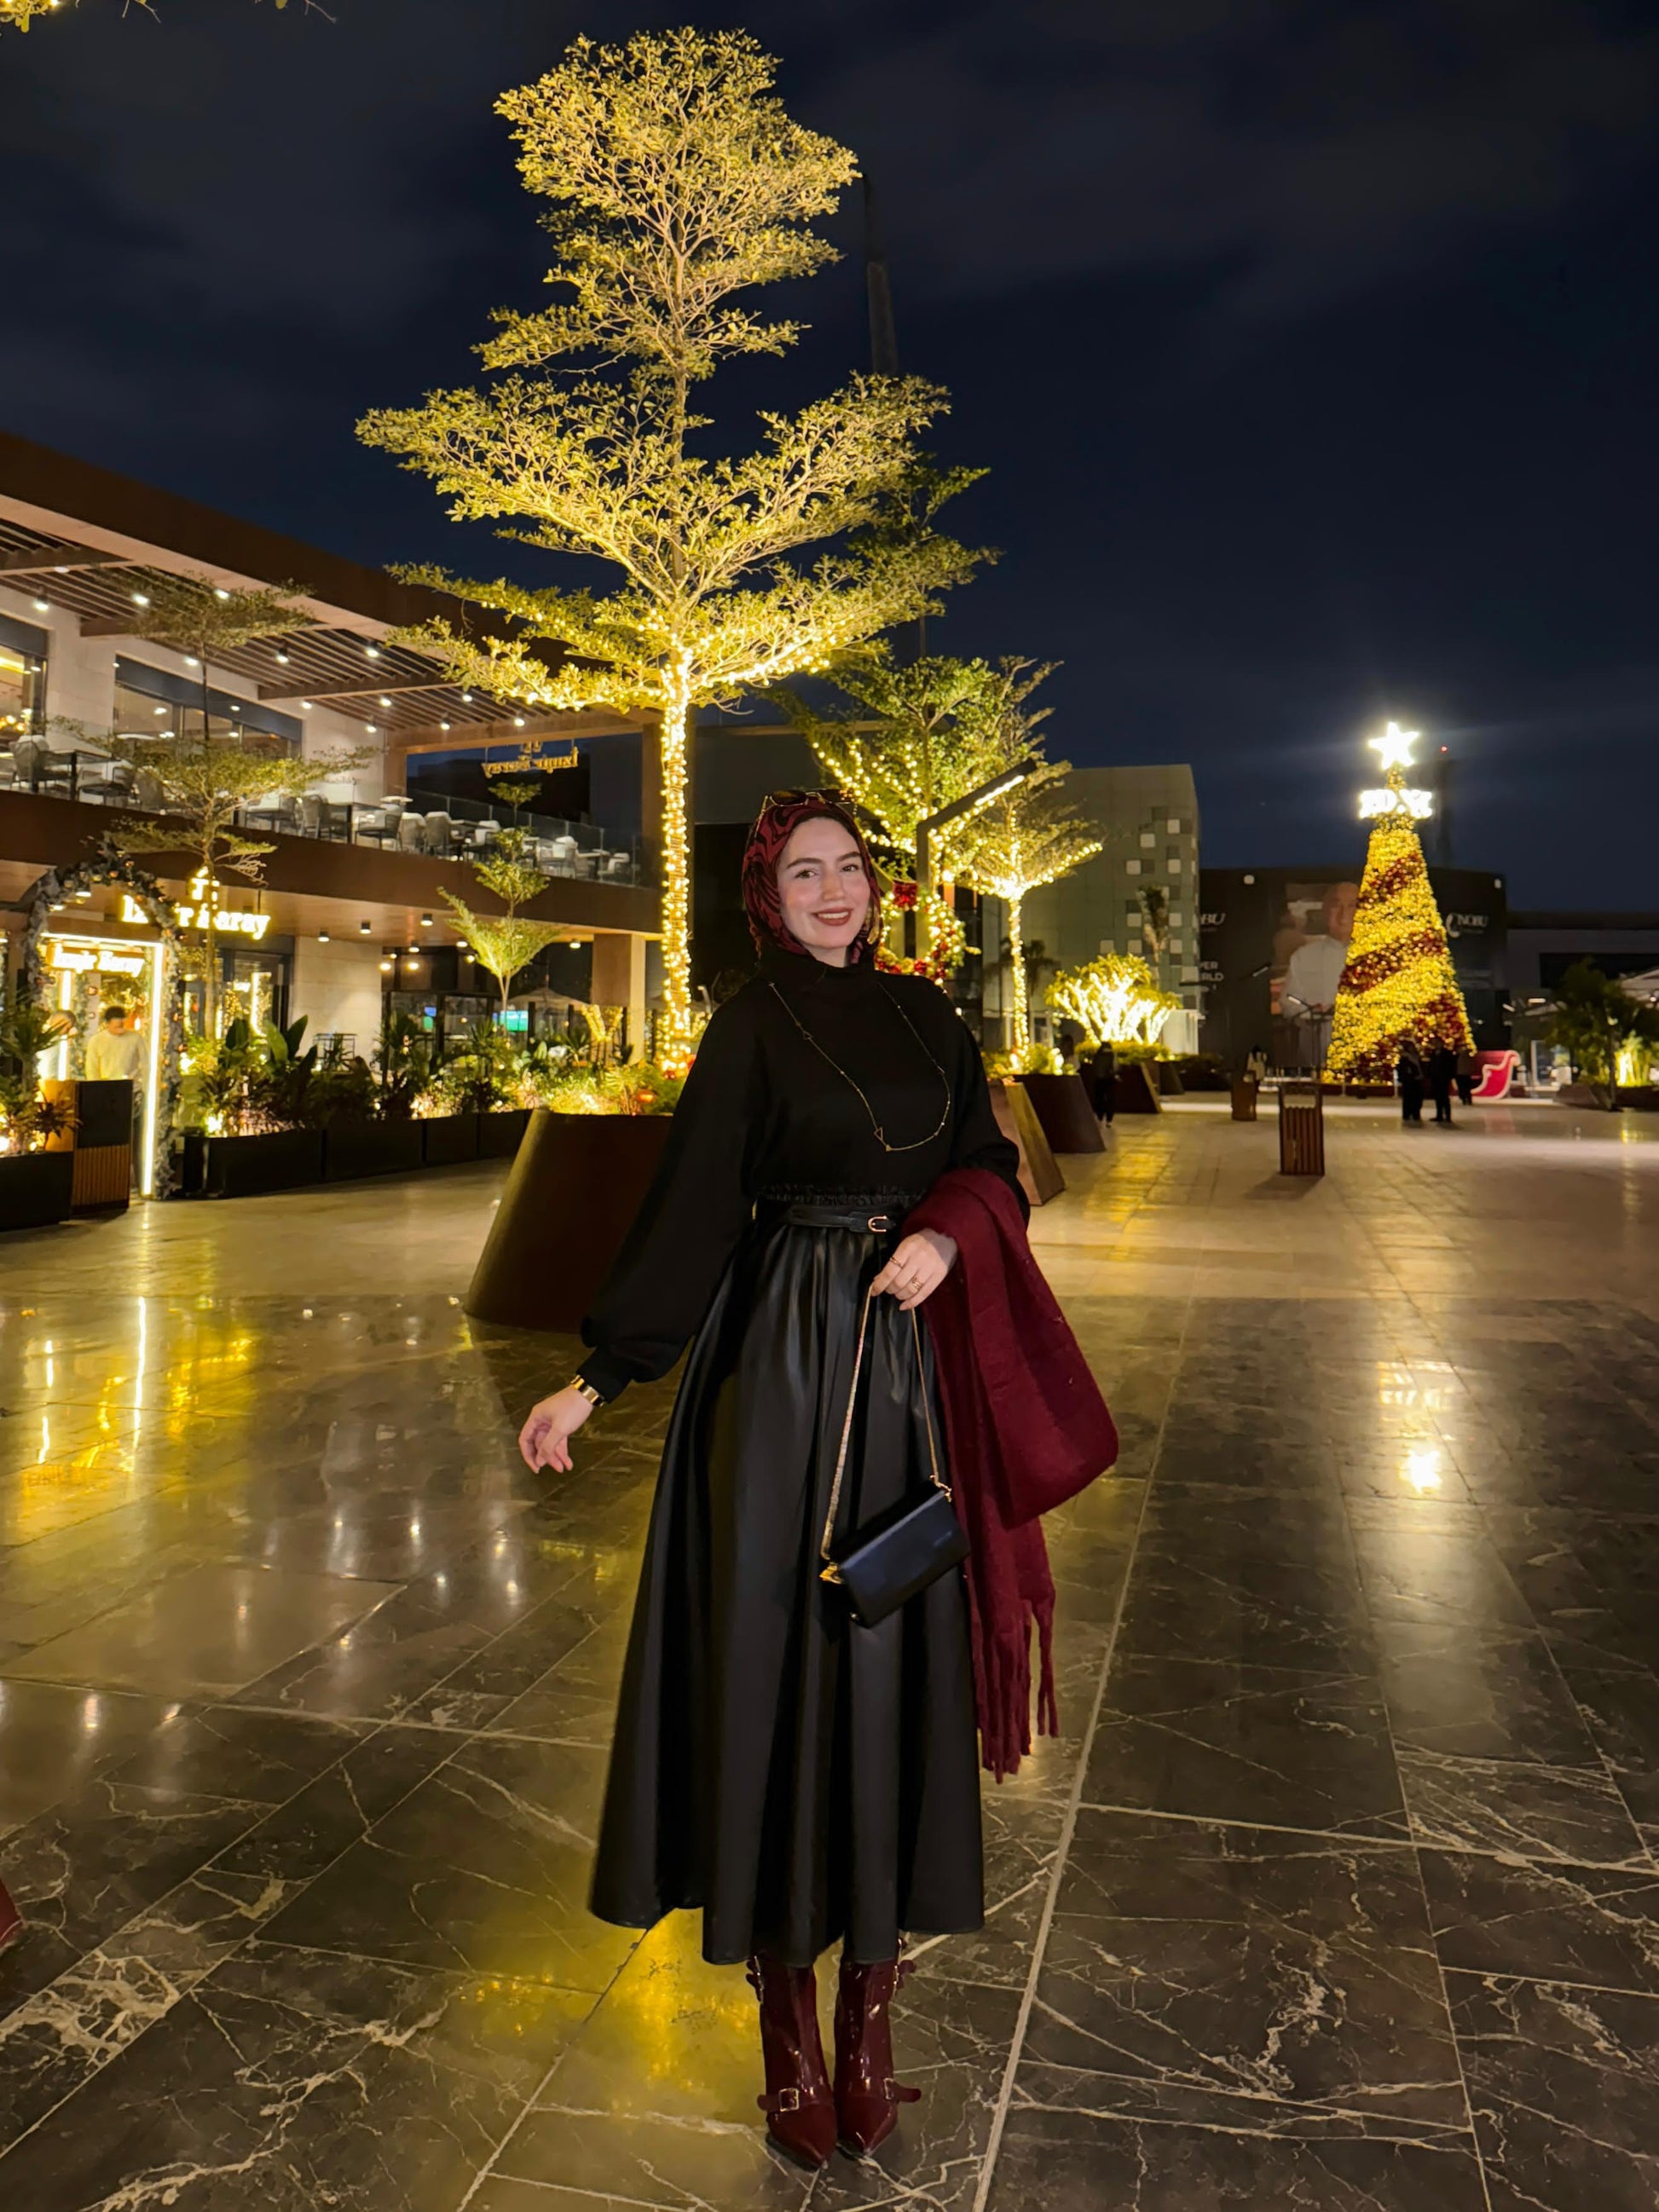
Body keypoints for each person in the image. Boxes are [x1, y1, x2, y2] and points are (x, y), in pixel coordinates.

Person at [517, 793, 1113, 2170]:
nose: (833, 890)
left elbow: (988, 1163)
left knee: (892, 1667)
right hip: (782, 1363)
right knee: (780, 1669)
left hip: (909, 1367)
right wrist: (597, 1378)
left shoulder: (926, 1015)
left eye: (849, 867)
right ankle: (786, 2023)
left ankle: (870, 2018)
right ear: (767, 897)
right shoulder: (751, 1025)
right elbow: (691, 1206)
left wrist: (949, 1238)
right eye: (804, 872)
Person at [84, 1002, 143, 1084]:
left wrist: (139, 1083)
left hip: (131, 1086)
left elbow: (144, 1064)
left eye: (121, 1026)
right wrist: (96, 1087)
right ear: (107, 1023)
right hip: (105, 1086)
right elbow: (92, 1069)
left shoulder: (135, 1039)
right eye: (116, 1027)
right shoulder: (96, 1041)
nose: (120, 1029)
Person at [1087, 1038, 1117, 1123]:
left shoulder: (1097, 1055)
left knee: (1099, 1098)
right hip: (1109, 1079)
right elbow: (1115, 1067)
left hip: (1099, 1080)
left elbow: (1094, 1066)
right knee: (1110, 1099)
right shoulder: (1112, 1055)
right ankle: (1109, 1119)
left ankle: (1100, 1116)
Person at [1427, 1039, 1457, 1124]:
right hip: (1435, 1078)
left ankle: (1447, 1116)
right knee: (1438, 1097)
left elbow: (1451, 1065)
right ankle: (1439, 1115)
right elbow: (1431, 1065)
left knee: (1444, 1097)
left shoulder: (1447, 1053)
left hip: (1444, 1078)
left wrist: (1450, 1076)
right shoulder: (1433, 1053)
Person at [1397, 1039, 1425, 1124]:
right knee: (1408, 1098)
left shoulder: (1417, 1056)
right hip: (1409, 1080)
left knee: (1417, 1097)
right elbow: (1401, 1069)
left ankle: (1416, 1113)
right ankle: (1407, 1114)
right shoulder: (1405, 1057)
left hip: (1417, 1079)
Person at [1455, 1044, 1477, 1108]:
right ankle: (1467, 1099)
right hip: (1465, 1073)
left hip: (1461, 1073)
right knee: (1466, 1088)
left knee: (1463, 1087)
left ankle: (1465, 1099)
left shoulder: (1460, 1056)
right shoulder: (1467, 1056)